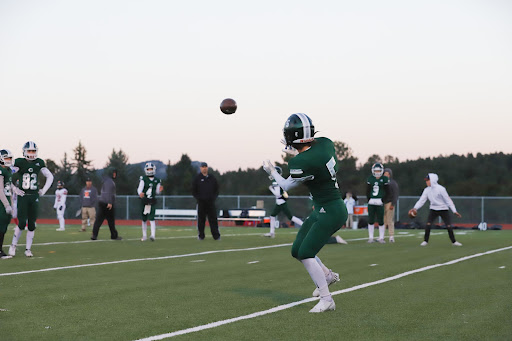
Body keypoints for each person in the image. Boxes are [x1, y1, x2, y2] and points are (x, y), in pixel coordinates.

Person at [263, 113, 348, 313]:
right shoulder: (325, 143)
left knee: (306, 253)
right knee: (297, 251)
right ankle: (327, 275)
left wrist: (272, 172)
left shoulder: (301, 163)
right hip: (324, 207)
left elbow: (285, 185)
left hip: (331, 210)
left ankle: (327, 299)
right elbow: (312, 156)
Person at [9, 141, 54, 257]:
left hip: (34, 196)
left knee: (32, 224)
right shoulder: (19, 162)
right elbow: (7, 174)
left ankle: (28, 249)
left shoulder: (39, 162)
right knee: (22, 222)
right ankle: (13, 245)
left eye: (33, 151)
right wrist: (14, 188)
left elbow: (50, 176)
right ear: (24, 151)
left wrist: (43, 190)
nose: (32, 153)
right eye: (29, 151)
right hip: (23, 196)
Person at [410, 173, 462, 246]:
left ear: (433, 180)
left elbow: (448, 200)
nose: (426, 182)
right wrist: (415, 208)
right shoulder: (426, 190)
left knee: (449, 226)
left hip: (443, 209)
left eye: (428, 180)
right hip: (433, 209)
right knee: (428, 225)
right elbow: (421, 200)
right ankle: (425, 241)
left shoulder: (441, 189)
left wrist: (454, 211)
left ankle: (454, 241)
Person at [264, 166, 303, 238]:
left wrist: (271, 189)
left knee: (290, 217)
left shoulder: (276, 181)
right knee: (272, 216)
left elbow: (278, 194)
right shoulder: (278, 180)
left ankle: (304, 225)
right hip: (279, 202)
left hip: (281, 202)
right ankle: (272, 233)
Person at [91, 168, 122, 241]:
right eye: (114, 173)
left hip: (102, 202)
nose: (115, 174)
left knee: (99, 220)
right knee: (110, 221)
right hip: (107, 203)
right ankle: (114, 235)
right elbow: (108, 192)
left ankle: (94, 235)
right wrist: (110, 202)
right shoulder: (110, 182)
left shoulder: (105, 180)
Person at [192, 162, 220, 240]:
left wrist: (213, 198)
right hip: (201, 203)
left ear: (207, 168)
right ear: (200, 168)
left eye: (205, 167)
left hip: (210, 203)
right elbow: (194, 191)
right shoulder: (197, 178)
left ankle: (216, 236)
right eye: (203, 167)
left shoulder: (212, 178)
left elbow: (216, 189)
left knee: (213, 220)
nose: (204, 168)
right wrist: (199, 198)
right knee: (201, 220)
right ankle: (201, 236)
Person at [137, 162, 163, 241]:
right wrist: (140, 193)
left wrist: (160, 190)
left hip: (152, 201)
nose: (149, 170)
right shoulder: (143, 179)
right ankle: (144, 235)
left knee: (152, 218)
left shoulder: (157, 180)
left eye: (151, 169)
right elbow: (139, 189)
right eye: (148, 169)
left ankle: (153, 235)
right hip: (144, 201)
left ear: (154, 170)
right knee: (144, 219)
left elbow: (158, 192)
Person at [366, 163, 389, 244]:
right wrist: (369, 199)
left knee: (380, 220)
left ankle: (381, 237)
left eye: (379, 170)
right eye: (376, 170)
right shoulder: (370, 179)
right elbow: (367, 191)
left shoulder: (384, 179)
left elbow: (387, 191)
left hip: (380, 201)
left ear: (382, 171)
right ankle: (371, 237)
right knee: (370, 220)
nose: (377, 172)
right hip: (371, 201)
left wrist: (383, 200)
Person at [0, 149, 17, 259]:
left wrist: (12, 204)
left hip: (4, 201)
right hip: (1, 203)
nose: (8, 160)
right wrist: (6, 204)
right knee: (0, 227)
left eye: (9, 158)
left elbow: (8, 190)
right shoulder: (1, 171)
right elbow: (0, 190)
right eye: (6, 158)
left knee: (3, 227)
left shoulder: (8, 171)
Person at [383, 168, 399, 242]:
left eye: (386, 173)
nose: (385, 175)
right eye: (384, 173)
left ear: (389, 174)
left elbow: (395, 194)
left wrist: (393, 203)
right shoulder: (382, 182)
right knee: (383, 221)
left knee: (389, 220)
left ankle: (391, 236)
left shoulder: (393, 183)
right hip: (383, 203)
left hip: (389, 202)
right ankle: (381, 236)